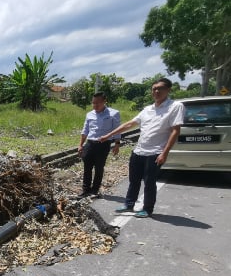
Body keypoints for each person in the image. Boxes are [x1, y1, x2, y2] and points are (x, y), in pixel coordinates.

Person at [98, 77, 185, 218]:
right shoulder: (147, 109)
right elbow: (129, 124)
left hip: (155, 152)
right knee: (134, 180)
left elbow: (175, 131)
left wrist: (164, 153)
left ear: (168, 90)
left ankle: (147, 208)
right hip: (139, 150)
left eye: (160, 88)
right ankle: (129, 204)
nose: (156, 91)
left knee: (149, 182)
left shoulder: (175, 107)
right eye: (154, 89)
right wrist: (109, 135)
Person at [77, 92, 121, 198]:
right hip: (90, 143)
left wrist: (117, 144)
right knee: (87, 167)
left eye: (97, 103)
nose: (95, 105)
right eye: (93, 103)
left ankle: (94, 190)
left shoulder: (113, 113)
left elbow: (117, 130)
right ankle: (85, 190)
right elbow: (85, 130)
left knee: (99, 167)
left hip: (103, 144)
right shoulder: (89, 114)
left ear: (104, 101)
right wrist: (80, 145)